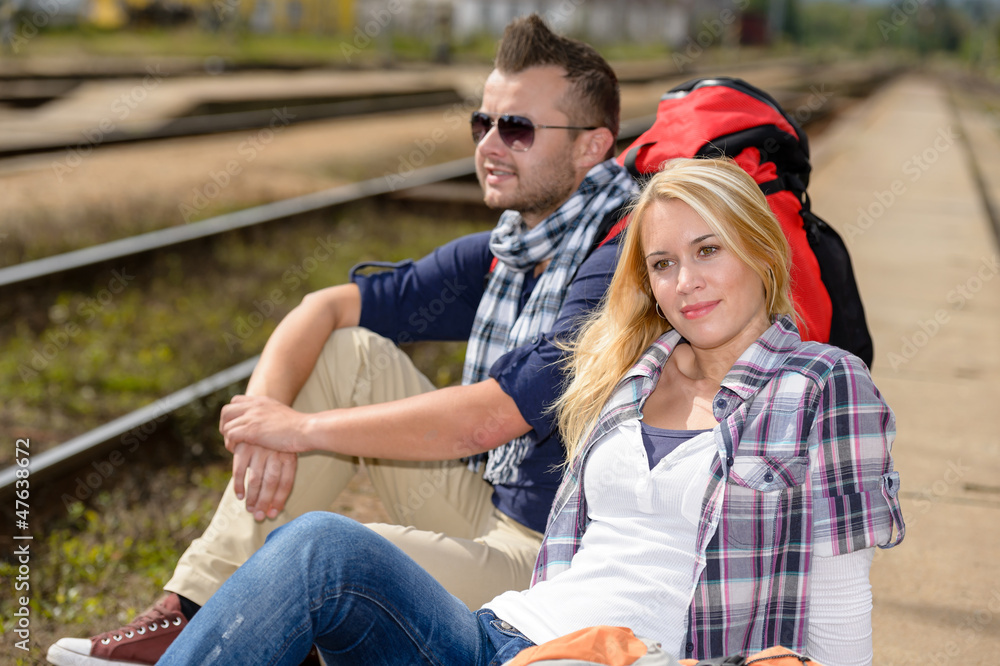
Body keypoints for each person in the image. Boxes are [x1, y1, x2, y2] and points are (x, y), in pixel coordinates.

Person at [46, 14, 638, 666]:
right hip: (484, 506)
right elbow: (324, 307)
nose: (491, 144)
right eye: (482, 123)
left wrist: (301, 432)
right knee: (345, 352)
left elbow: (489, 420)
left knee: (317, 556)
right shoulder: (516, 250)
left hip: (550, 562)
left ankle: (244, 632)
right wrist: (261, 421)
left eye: (517, 128)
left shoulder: (624, 263)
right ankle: (190, 610)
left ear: (591, 146)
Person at [154, 157, 906, 666]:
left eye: (709, 251)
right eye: (665, 264)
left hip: (623, 654)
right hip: (502, 637)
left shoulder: (819, 386)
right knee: (319, 546)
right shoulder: (627, 377)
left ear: (762, 255)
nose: (687, 283)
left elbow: (840, 605)